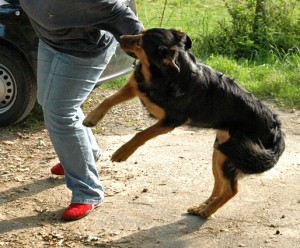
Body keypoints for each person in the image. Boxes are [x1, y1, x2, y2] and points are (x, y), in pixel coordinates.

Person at [19, 0, 144, 221]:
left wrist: (151, 50)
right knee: (49, 102)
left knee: (60, 112)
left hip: (83, 49)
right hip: (51, 39)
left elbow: (120, 13)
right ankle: (85, 155)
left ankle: (87, 192)